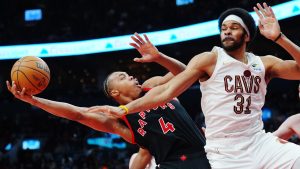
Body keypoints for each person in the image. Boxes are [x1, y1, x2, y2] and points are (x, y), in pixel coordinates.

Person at [95, 3, 300, 168]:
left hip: (258, 141)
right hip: (223, 151)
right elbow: (167, 91)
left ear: (247, 36)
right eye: (224, 28)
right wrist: (124, 109)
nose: (227, 32)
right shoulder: (209, 60)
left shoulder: (265, 63)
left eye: (234, 28)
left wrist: (280, 39)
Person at [7, 33, 211, 169]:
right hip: (172, 164)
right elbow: (77, 113)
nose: (131, 76)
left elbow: (187, 73)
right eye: (123, 76)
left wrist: (159, 57)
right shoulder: (123, 123)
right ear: (114, 92)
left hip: (208, 155)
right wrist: (35, 101)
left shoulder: (154, 85)